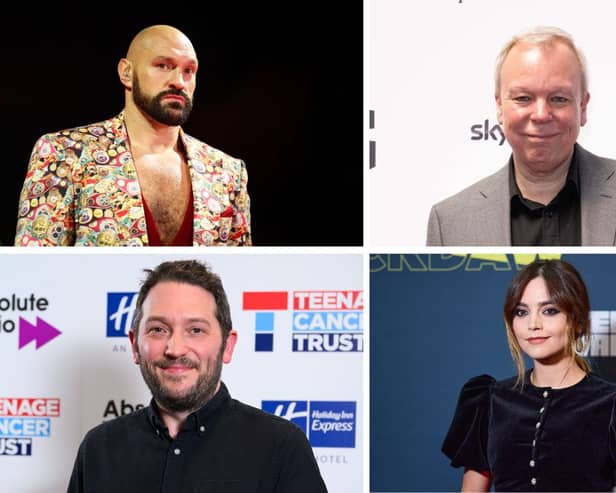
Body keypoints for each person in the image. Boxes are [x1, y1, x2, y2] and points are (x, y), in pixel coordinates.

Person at [67, 259, 327, 492]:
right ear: (135, 345)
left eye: (195, 330)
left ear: (227, 345)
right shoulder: (98, 449)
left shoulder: (281, 447)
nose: (175, 349)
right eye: (158, 329)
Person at [15, 25, 251, 246]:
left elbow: (240, 276)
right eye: (164, 66)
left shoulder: (225, 172)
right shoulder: (66, 153)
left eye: (188, 70)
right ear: (126, 72)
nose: (179, 82)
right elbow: (33, 269)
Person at [426, 26, 616, 246]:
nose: (541, 114)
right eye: (524, 98)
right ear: (499, 107)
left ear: (582, 108)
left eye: (558, 99)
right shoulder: (450, 224)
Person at [441, 259, 616, 491]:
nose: (533, 324)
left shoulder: (609, 404)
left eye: (549, 311)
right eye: (521, 312)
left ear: (578, 320)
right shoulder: (489, 400)